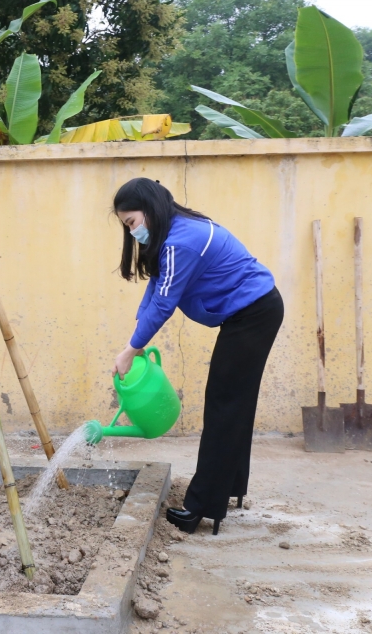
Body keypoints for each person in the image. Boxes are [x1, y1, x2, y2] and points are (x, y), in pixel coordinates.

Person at [112, 177, 283, 535]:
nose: (132, 233)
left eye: (131, 223)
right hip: (253, 311)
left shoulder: (181, 241)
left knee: (223, 403)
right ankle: (230, 488)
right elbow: (156, 287)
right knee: (234, 402)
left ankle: (200, 507)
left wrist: (131, 349)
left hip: (252, 314)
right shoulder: (177, 233)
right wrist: (137, 334)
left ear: (150, 209)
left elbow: (163, 303)